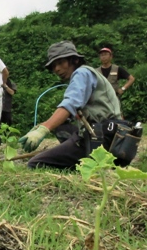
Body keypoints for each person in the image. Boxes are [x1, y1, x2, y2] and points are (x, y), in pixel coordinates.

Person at [20, 41, 121, 170]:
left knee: (36, 163)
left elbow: (70, 104)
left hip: (103, 137)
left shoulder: (82, 73)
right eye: (54, 66)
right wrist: (42, 125)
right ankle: (77, 159)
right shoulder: (87, 73)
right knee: (61, 125)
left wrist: (44, 129)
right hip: (109, 135)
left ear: (74, 60)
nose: (57, 69)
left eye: (60, 62)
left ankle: (83, 166)